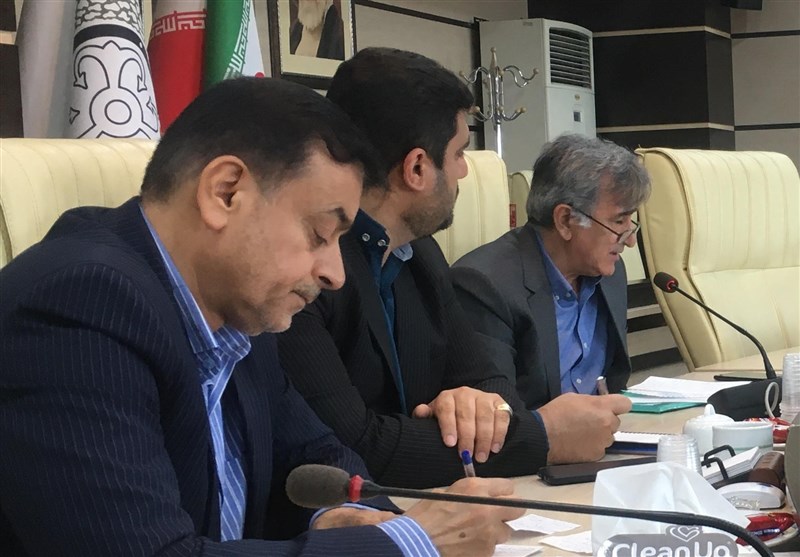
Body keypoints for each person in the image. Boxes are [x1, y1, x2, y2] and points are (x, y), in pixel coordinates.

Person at [0, 77, 523, 556]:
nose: (335, 274)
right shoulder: (79, 305)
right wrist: (407, 544)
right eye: (320, 234)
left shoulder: (239, 310)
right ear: (226, 192)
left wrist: (345, 517)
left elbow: (319, 456)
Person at [277, 48, 632, 490]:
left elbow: (488, 383)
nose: (464, 170)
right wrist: (545, 437)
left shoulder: (421, 254)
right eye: (460, 153)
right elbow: (359, 446)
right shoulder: (309, 273)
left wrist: (474, 406)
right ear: (417, 168)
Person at [451, 134, 651, 411]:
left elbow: (613, 382)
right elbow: (494, 412)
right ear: (566, 220)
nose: (630, 241)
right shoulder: (484, 285)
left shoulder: (610, 274)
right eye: (619, 221)